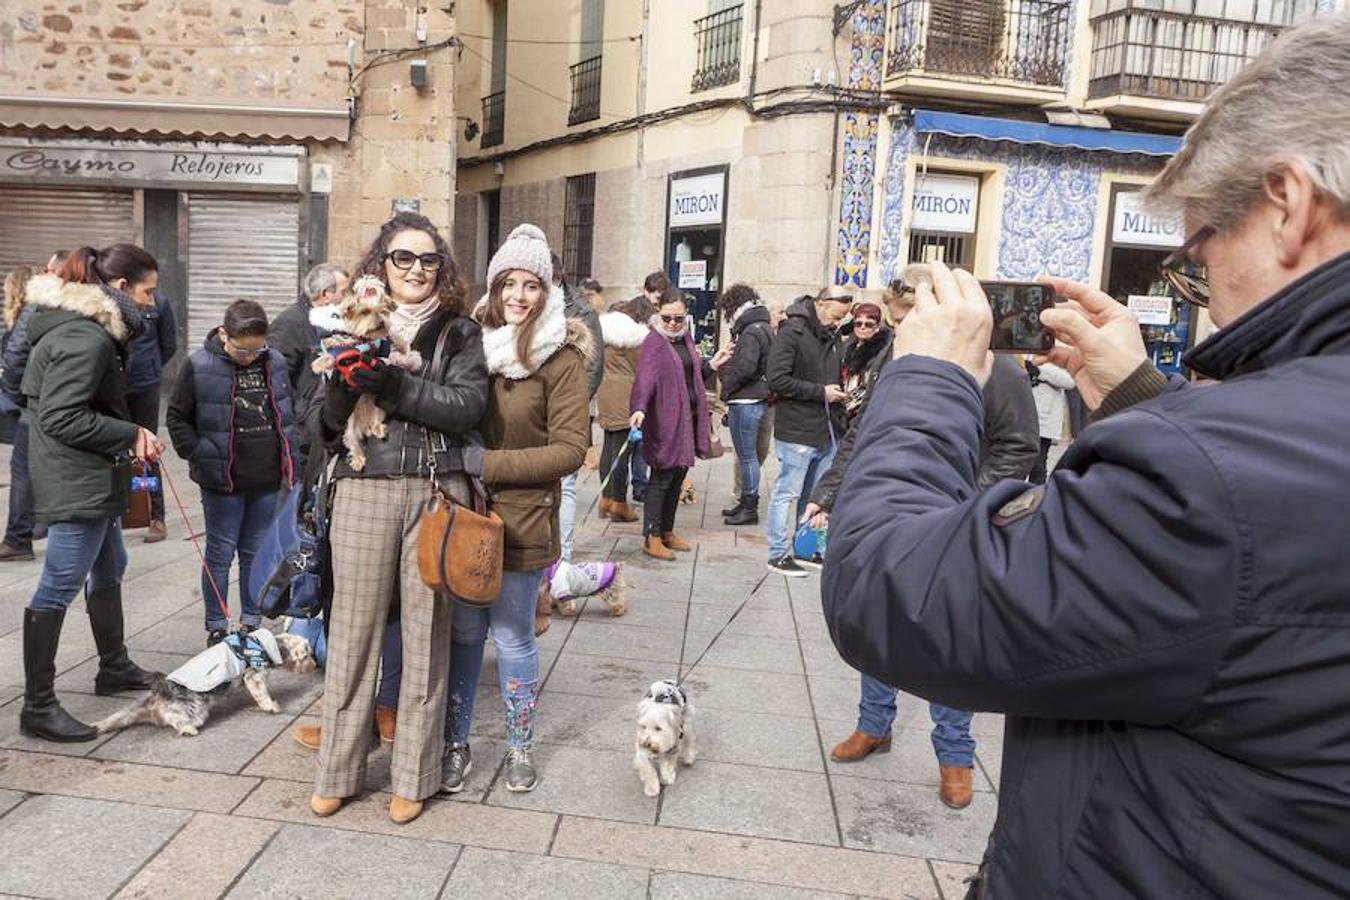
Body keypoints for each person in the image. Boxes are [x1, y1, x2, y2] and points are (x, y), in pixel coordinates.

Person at [822, 15, 1350, 896]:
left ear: (1288, 206)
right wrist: (1146, 398)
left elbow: (886, 587)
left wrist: (925, 380)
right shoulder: (1274, 450)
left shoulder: (1216, 479)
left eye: (1199, 252)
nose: (1203, 288)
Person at [808, 275, 1037, 810]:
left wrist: (963, 504)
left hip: (960, 525)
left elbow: (1018, 447)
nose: (897, 329)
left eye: (905, 319)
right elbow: (869, 438)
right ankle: (874, 725)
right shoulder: (900, 361)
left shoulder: (997, 368)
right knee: (879, 618)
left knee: (953, 642)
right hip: (900, 520)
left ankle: (955, 756)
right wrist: (829, 492)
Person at [308, 212, 487, 825]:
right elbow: (320, 428)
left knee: (426, 638)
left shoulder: (458, 333)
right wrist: (342, 387)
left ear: (443, 268)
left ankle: (415, 773)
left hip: (434, 494)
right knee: (352, 636)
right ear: (380, 265)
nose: (415, 270)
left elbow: (465, 407)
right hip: (361, 490)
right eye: (402, 259)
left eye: (428, 260)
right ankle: (338, 769)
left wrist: (392, 387)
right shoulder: (344, 325)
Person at [442, 224, 589, 795]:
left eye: (532, 285)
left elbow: (570, 449)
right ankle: (456, 742)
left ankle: (519, 745)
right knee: (463, 634)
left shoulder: (562, 357)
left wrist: (487, 464)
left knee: (511, 637)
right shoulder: (470, 343)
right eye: (509, 284)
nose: (519, 297)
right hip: (464, 517)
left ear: (547, 291)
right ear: (495, 286)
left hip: (524, 522)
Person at [17, 246, 162, 742]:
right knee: (58, 584)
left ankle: (114, 667)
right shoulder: (86, 338)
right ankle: (37, 707)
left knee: (110, 566)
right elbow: (61, 416)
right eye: (148, 292)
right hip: (77, 477)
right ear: (120, 289)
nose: (152, 303)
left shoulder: (84, 328)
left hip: (92, 473)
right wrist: (127, 434)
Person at [166, 300, 300, 645]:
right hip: (222, 481)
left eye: (258, 349)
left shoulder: (276, 361)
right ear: (224, 335)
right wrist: (199, 453)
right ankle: (216, 624)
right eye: (243, 350)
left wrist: (291, 461)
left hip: (267, 477)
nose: (250, 356)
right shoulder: (198, 364)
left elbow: (287, 414)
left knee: (255, 553)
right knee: (220, 554)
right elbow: (177, 417)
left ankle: (251, 622)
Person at [763, 287, 851, 575]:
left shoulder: (833, 335)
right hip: (797, 429)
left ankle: (804, 550)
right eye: (836, 316)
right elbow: (776, 379)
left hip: (826, 430)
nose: (838, 323)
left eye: (842, 318)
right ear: (820, 304)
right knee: (787, 492)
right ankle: (777, 553)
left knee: (813, 495)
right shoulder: (793, 332)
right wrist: (820, 392)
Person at [629, 289, 712, 560]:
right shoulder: (655, 342)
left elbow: (692, 372)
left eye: (679, 318)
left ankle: (667, 530)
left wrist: (713, 364)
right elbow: (645, 378)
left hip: (687, 418)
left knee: (678, 477)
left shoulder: (686, 338)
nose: (673, 323)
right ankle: (651, 536)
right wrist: (639, 408)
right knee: (662, 477)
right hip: (664, 419)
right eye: (667, 318)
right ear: (658, 315)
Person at [551, 253, 604, 563]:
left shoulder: (580, 310)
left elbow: (594, 367)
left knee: (566, 486)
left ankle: (563, 558)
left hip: (568, 413)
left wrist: (571, 407)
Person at [712, 283, 773, 526]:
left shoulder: (750, 331)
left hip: (746, 400)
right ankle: (746, 503)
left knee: (747, 457)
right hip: (758, 398)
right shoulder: (764, 326)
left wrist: (726, 388)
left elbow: (746, 367)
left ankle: (749, 506)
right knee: (750, 456)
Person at [122, 276, 177, 543]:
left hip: (145, 387)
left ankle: (155, 515)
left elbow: (169, 345)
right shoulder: (113, 304)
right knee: (115, 451)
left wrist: (151, 369)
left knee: (147, 451)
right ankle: (123, 510)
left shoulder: (161, 304)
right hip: (115, 387)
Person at [595, 295, 652, 523]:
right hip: (625, 396)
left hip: (606, 393)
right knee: (622, 452)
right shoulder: (634, 337)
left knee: (608, 448)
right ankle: (618, 502)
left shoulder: (604, 333)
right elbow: (644, 368)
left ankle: (606, 498)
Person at [271, 262, 349, 424]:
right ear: (326, 295)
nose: (349, 298)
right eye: (345, 292)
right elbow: (275, 381)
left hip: (327, 420)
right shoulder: (290, 323)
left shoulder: (335, 323)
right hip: (302, 428)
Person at [1, 266, 36, 561]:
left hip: (31, 407)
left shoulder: (26, 320)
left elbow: (13, 364)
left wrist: (15, 396)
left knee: (23, 469)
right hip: (39, 403)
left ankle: (18, 537)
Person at [1026, 359, 1074, 484]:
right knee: (1011, 464)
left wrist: (1040, 372)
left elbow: (1070, 381)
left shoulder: (1057, 349)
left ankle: (1036, 500)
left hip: (1043, 420)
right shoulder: (1017, 345)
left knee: (1037, 466)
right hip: (1016, 414)